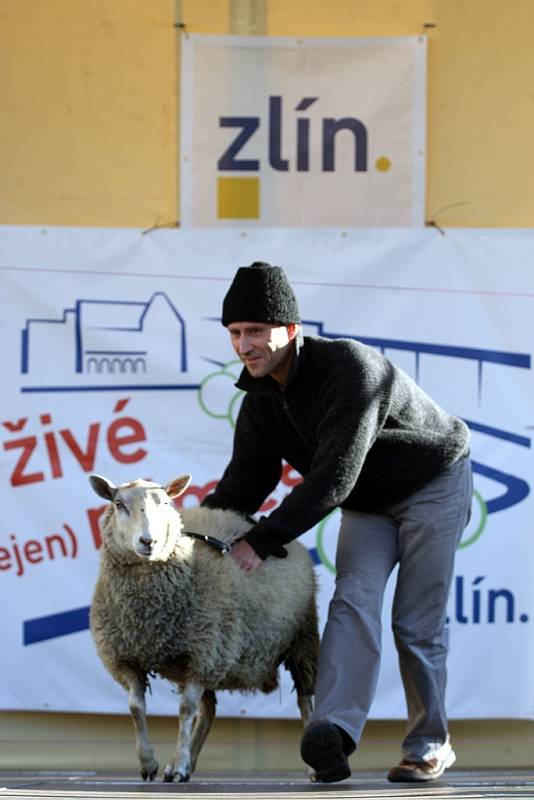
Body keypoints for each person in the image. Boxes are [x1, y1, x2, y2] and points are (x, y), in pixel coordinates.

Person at [202, 261, 473, 783]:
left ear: (291, 330)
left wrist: (261, 542)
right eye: (235, 333)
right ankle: (331, 734)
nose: (243, 345)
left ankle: (429, 745)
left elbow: (333, 478)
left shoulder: (351, 368)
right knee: (352, 600)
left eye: (255, 331)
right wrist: (198, 534)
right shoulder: (260, 401)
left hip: (432, 482)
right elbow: (243, 484)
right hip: (369, 502)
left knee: (415, 623)